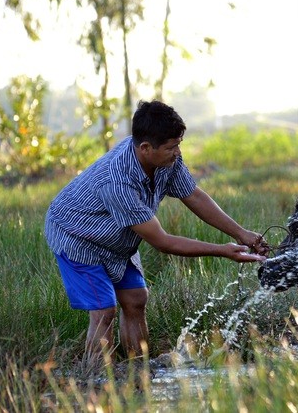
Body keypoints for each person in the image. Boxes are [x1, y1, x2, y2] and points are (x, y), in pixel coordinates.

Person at [44, 100, 269, 371]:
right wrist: (223, 250)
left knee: (136, 299)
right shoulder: (116, 181)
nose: (177, 152)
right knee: (105, 310)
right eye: (172, 147)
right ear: (145, 148)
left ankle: (139, 371)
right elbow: (163, 242)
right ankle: (96, 380)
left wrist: (242, 233)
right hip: (77, 234)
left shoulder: (166, 158)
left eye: (178, 144)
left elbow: (194, 196)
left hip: (116, 235)